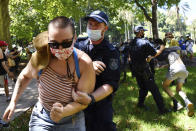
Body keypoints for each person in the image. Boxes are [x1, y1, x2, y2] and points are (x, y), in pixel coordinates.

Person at [3, 16, 95, 131]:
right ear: (48, 41)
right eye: (54, 44)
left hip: (72, 120)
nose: (60, 49)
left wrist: (63, 112)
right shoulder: (41, 57)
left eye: (66, 43)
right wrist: (13, 102)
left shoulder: (84, 63)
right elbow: (25, 76)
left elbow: (83, 102)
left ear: (74, 38)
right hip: (42, 117)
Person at [74, 10, 120, 131]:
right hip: (75, 99)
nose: (93, 27)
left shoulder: (111, 52)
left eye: (97, 24)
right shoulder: (78, 46)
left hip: (99, 102)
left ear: (105, 28)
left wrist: (90, 99)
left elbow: (110, 85)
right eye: (90, 24)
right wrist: (88, 67)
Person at [129, 26, 169, 114]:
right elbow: (155, 53)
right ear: (140, 32)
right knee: (154, 89)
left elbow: (131, 57)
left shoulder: (131, 43)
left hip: (135, 69)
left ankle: (140, 104)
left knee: (143, 88)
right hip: (144, 69)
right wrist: (162, 48)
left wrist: (147, 57)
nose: (144, 33)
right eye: (143, 31)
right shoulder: (144, 42)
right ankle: (162, 110)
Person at [162, 49, 194, 117]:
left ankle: (176, 103)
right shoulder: (176, 54)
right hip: (184, 71)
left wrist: (164, 66)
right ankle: (188, 102)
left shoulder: (168, 55)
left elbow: (171, 65)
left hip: (175, 70)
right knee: (179, 90)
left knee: (165, 85)